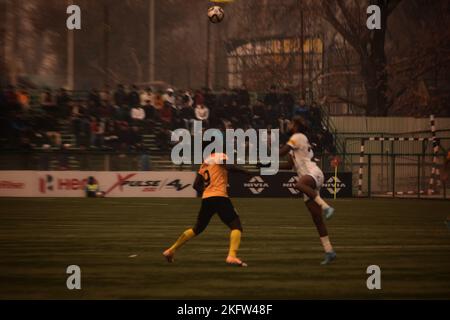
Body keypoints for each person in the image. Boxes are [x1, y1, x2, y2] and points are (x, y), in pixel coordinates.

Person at [163, 153, 249, 267]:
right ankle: (231, 256)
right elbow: (229, 167)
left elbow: (195, 185)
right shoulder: (221, 156)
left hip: (207, 199)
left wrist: (207, 191)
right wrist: (246, 171)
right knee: (236, 226)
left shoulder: (205, 162)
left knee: (197, 229)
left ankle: (170, 250)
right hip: (220, 197)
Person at [278, 117, 336, 265]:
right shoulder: (296, 142)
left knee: (298, 184)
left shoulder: (297, 137)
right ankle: (329, 251)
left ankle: (327, 207)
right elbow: (288, 165)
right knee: (317, 220)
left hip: (313, 173)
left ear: (296, 126)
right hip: (308, 180)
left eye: (291, 123)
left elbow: (281, 152)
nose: (289, 124)